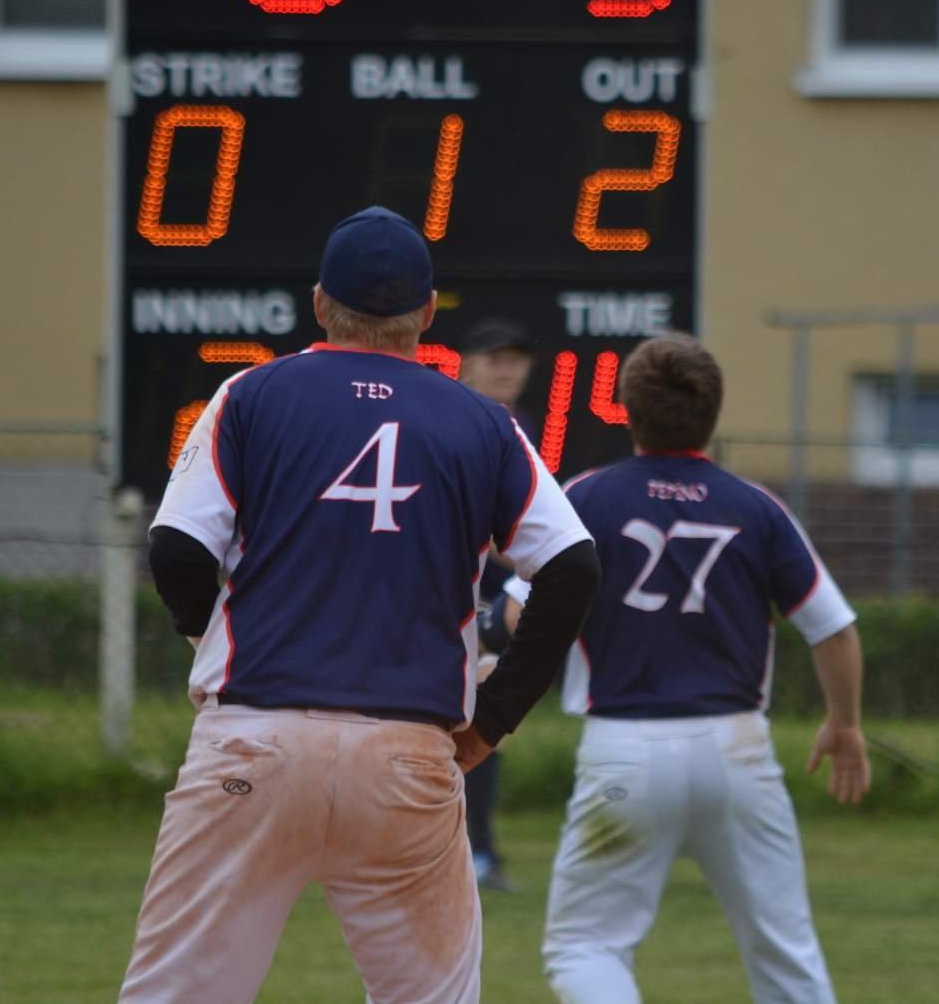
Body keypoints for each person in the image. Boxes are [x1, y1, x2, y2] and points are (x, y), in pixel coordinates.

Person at [119, 206, 600, 1004]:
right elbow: (573, 567)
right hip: (406, 751)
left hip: (255, 736)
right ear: (423, 311)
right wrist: (495, 715)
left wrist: (206, 631)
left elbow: (175, 547)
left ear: (318, 303)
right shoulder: (482, 421)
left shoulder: (249, 394)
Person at [498, 333, 868, 1004]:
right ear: (712, 413)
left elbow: (523, 614)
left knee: (585, 946)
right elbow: (834, 628)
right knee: (785, 951)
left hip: (624, 750)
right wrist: (845, 724)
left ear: (627, 409)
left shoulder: (587, 496)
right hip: (738, 750)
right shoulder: (756, 506)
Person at [456, 317, 536, 893]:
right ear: (464, 363)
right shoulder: (451, 422)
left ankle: (478, 852)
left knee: (482, 725)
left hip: (496, 598)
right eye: (493, 356)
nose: (506, 367)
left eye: (515, 357)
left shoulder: (522, 427)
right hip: (447, 595)